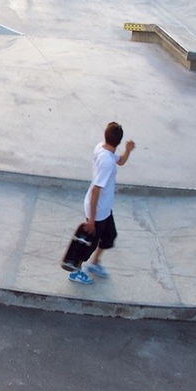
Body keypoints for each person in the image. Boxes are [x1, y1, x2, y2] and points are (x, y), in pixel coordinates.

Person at [68, 121, 135, 286]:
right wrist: (91, 220)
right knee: (89, 245)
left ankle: (95, 263)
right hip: (96, 212)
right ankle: (76, 271)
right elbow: (96, 191)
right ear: (118, 142)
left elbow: (121, 161)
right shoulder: (106, 162)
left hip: (104, 209)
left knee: (109, 237)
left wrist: (128, 151)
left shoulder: (103, 148)